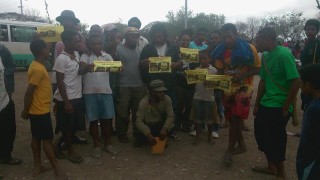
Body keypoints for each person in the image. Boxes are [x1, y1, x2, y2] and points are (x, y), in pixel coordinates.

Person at [252, 27, 300, 179]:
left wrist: (286, 106)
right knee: (260, 134)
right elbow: (263, 82)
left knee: (276, 139)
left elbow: (296, 82)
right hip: (267, 103)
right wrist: (257, 104)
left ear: (268, 39)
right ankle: (271, 167)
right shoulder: (265, 56)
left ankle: (282, 173)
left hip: (280, 105)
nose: (256, 44)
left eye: (258, 41)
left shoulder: (284, 54)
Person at [211, 23, 261, 166]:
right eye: (224, 37)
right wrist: (212, 79)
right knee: (233, 119)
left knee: (235, 116)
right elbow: (221, 70)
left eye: (230, 37)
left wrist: (242, 75)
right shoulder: (219, 51)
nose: (227, 40)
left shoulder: (250, 49)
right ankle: (242, 145)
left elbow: (257, 68)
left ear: (236, 35)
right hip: (228, 86)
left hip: (245, 86)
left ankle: (229, 150)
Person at [21, 39, 66, 178]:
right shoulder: (38, 69)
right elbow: (29, 92)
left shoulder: (36, 65)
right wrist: (25, 109)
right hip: (40, 111)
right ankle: (57, 169)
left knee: (36, 137)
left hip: (38, 109)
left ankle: (38, 166)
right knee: (47, 141)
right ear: (42, 50)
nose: (50, 50)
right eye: (47, 48)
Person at [79, 34, 120, 157]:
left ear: (102, 44)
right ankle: (96, 145)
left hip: (105, 91)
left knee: (107, 120)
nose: (96, 46)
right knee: (93, 120)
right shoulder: (85, 56)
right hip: (90, 93)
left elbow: (115, 68)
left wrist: (119, 68)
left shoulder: (107, 56)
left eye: (99, 43)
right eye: (94, 44)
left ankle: (108, 144)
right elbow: (80, 70)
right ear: (89, 45)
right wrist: (86, 68)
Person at [140, 22, 182, 140]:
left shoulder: (173, 47)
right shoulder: (148, 48)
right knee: (154, 108)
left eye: (160, 36)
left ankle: (171, 130)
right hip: (153, 84)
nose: (157, 39)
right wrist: (145, 63)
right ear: (152, 36)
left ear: (165, 35)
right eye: (155, 36)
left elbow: (180, 62)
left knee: (172, 107)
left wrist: (176, 64)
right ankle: (155, 132)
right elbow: (140, 64)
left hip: (170, 83)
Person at [53, 30, 85, 164]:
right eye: (76, 41)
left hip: (76, 96)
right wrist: (66, 102)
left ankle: (60, 144)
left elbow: (77, 72)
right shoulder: (62, 58)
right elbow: (59, 81)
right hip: (66, 99)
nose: (79, 43)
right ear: (67, 42)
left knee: (72, 126)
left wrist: (85, 67)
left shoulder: (76, 54)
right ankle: (69, 151)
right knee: (66, 126)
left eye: (79, 40)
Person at [116, 27, 146, 143]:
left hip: (139, 85)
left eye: (137, 37)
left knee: (137, 111)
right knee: (122, 111)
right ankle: (122, 133)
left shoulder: (140, 50)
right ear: (126, 37)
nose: (135, 39)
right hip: (124, 85)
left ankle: (137, 131)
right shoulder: (118, 49)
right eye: (133, 37)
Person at [296, 64, 320, 180]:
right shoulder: (314, 103)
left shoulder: (315, 109)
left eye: (301, 82)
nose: (300, 86)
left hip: (311, 164)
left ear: (309, 85)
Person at [134, 79, 174, 147]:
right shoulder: (143, 103)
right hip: (148, 125)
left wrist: (165, 128)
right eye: (159, 92)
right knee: (141, 141)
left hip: (160, 125)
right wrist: (148, 133)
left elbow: (171, 116)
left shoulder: (167, 99)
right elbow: (138, 121)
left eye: (163, 91)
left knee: (163, 142)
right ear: (152, 92)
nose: (162, 93)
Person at [0, 45, 21, 167]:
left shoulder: (3, 50)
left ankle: (5, 155)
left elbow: (12, 67)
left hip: (4, 99)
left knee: (8, 129)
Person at [191, 49, 218, 145]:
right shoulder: (196, 70)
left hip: (209, 98)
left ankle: (209, 137)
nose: (203, 61)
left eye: (205, 58)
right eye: (201, 59)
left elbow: (218, 84)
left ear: (209, 59)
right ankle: (197, 137)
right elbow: (192, 83)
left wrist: (210, 83)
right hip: (197, 97)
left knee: (209, 120)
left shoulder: (214, 70)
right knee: (197, 119)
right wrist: (190, 78)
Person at [300, 19, 320, 111]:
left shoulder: (317, 44)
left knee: (312, 104)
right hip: (304, 78)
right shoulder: (306, 43)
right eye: (308, 29)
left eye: (313, 29)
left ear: (317, 31)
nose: (310, 32)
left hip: (313, 80)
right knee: (305, 102)